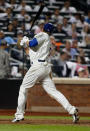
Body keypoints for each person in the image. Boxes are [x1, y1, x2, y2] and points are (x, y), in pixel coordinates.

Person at [12, 23, 79, 123]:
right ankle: (72, 110)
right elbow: (31, 50)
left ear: (43, 28)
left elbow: (32, 44)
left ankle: (19, 115)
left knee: (23, 88)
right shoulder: (46, 42)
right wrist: (24, 44)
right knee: (53, 92)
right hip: (44, 67)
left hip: (38, 67)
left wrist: (27, 41)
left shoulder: (43, 35)